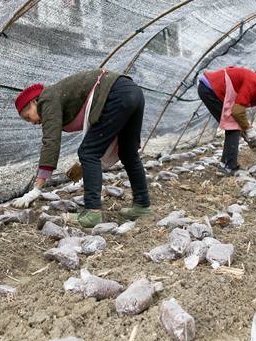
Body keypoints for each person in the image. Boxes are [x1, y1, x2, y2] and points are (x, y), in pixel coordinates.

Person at [11, 69, 151, 228]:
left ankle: (92, 212)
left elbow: (51, 141)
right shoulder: (55, 95)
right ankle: (142, 206)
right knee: (128, 153)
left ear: (34, 102)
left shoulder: (46, 99)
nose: (32, 122)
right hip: (132, 92)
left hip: (116, 93)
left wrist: (36, 189)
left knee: (88, 152)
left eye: (28, 117)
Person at [197, 66, 256, 174]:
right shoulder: (254, 82)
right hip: (210, 90)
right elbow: (237, 111)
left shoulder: (253, 80)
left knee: (233, 126)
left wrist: (247, 134)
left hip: (209, 89)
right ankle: (230, 166)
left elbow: (238, 112)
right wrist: (249, 130)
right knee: (233, 127)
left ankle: (225, 163)